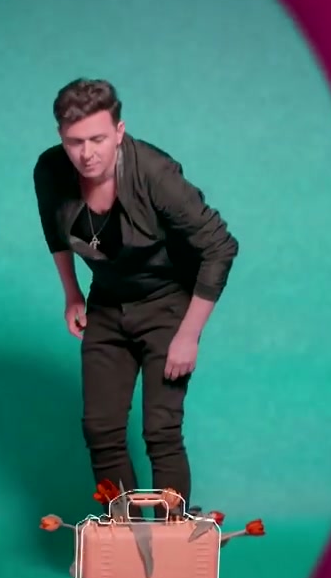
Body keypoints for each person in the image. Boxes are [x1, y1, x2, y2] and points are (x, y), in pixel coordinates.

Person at [32, 78, 239, 514]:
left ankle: (171, 542)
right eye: (75, 142)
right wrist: (72, 294)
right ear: (61, 137)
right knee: (101, 430)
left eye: (98, 139)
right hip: (107, 302)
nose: (87, 153)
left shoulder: (155, 174)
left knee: (161, 431)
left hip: (167, 304)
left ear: (119, 131)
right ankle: (125, 542)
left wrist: (189, 335)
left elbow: (220, 246)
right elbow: (54, 229)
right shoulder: (51, 170)